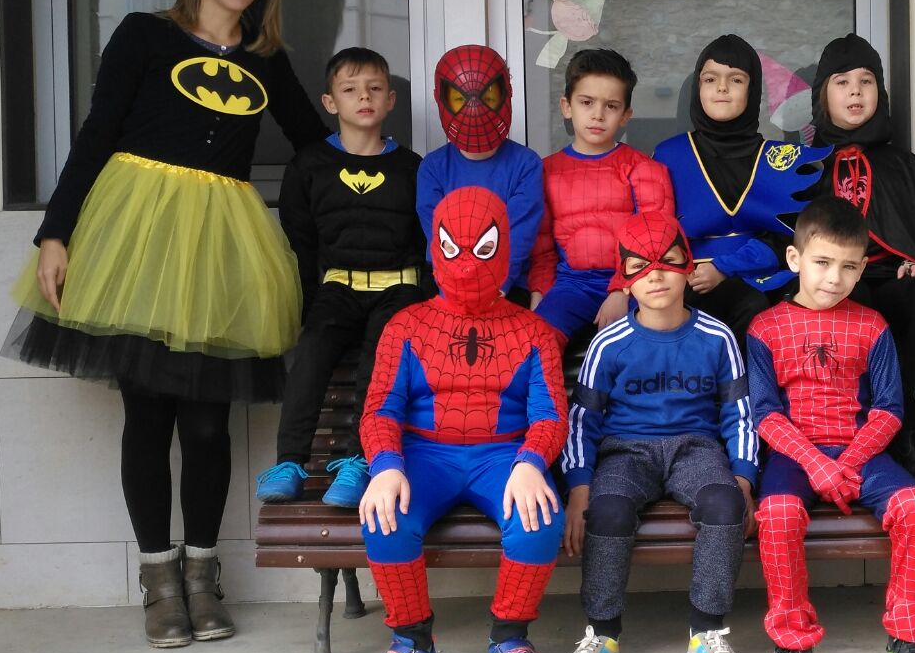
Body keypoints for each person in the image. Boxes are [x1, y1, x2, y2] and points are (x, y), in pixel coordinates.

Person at [2, 0, 329, 648]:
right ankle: (158, 579)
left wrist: (374, 158)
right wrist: (55, 232)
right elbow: (96, 133)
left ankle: (203, 576)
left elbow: (312, 145)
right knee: (147, 414)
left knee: (208, 421)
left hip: (220, 248)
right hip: (138, 238)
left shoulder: (266, 59)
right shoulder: (144, 35)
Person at [353, 186, 568, 653]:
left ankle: (509, 639)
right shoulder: (405, 326)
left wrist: (531, 462)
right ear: (435, 246)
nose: (468, 263)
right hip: (424, 455)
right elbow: (381, 408)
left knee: (539, 518)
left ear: (505, 247)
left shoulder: (534, 330)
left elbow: (550, 413)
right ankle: (412, 644)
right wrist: (385, 465)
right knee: (385, 516)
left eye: (484, 248)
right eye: (454, 247)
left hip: (504, 455)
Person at [746, 197, 915, 653]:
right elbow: (765, 413)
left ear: (862, 269)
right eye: (822, 262)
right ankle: (792, 639)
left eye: (849, 267)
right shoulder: (765, 328)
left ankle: (908, 634)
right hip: (795, 456)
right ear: (795, 259)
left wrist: (849, 461)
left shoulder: (871, 325)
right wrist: (817, 464)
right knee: (778, 514)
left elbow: (889, 409)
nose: (834, 278)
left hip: (862, 453)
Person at [554, 213, 757, 653]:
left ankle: (707, 631)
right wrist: (579, 490)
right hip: (626, 451)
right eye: (639, 267)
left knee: (723, 503)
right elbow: (582, 421)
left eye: (668, 262)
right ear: (625, 279)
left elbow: (739, 414)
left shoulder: (717, 337)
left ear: (688, 266)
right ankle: (602, 634)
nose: (656, 275)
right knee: (607, 511)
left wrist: (744, 479)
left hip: (696, 448)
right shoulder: (609, 344)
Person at [255, 47, 426, 508]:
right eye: (350, 89)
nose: (363, 97)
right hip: (337, 288)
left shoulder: (413, 168)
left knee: (379, 362)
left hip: (399, 289)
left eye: (374, 88)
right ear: (330, 102)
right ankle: (290, 463)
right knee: (311, 354)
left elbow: (427, 241)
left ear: (390, 100)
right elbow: (301, 241)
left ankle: (357, 461)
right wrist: (309, 304)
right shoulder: (309, 166)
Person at [808, 32, 915, 484]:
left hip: (892, 278)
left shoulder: (906, 165)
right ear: (822, 95)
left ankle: (910, 433)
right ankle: (840, 434)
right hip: (831, 283)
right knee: (851, 299)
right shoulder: (803, 166)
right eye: (842, 82)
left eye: (866, 81)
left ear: (880, 93)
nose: (855, 91)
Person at [652, 34, 829, 342]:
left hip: (768, 279)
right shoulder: (668, 156)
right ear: (697, 89)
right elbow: (652, 235)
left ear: (753, 90)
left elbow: (796, 238)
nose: (722, 87)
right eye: (710, 79)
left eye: (735, 79)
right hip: (687, 282)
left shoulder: (780, 160)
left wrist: (725, 267)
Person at [528, 49, 674, 341]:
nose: (598, 114)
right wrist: (539, 295)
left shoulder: (644, 169)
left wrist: (622, 290)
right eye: (586, 102)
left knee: (638, 343)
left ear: (625, 116)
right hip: (571, 285)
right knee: (538, 341)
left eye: (611, 106)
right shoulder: (546, 171)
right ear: (567, 106)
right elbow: (542, 248)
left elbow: (655, 241)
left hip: (636, 284)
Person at [416, 45, 544, 303]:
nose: (474, 108)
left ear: (506, 93)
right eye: (459, 99)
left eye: (488, 97)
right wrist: (456, 295)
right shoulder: (433, 167)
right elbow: (439, 241)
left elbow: (518, 236)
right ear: (442, 99)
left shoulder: (526, 164)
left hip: (507, 285)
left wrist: (497, 289)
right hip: (448, 286)